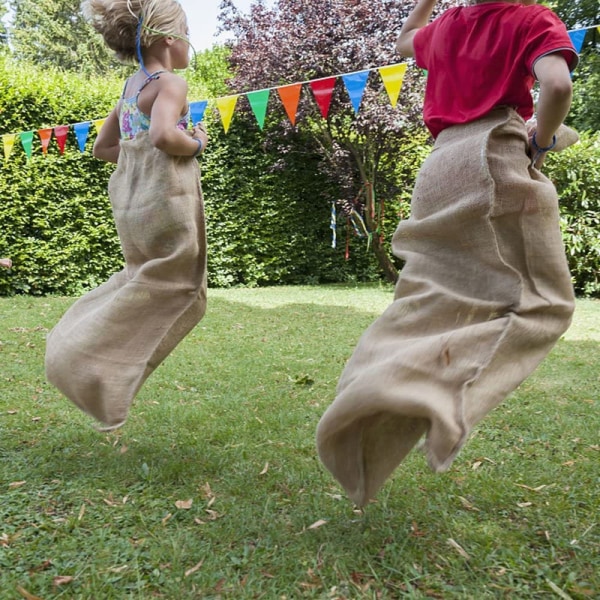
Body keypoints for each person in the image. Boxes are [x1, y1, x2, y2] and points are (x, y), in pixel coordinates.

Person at [316, 0, 579, 506]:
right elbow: (559, 86)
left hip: (439, 167)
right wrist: (541, 142)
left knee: (428, 293)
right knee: (545, 303)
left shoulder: (447, 26)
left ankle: (368, 383)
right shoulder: (531, 18)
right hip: (492, 156)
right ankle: (439, 399)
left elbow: (402, 42)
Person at [45, 0, 209, 431]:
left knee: (141, 277)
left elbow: (104, 149)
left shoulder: (129, 90)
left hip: (132, 209)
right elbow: (161, 135)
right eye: (188, 30)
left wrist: (141, 155)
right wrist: (196, 143)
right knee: (184, 288)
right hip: (165, 206)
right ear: (171, 38)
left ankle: (78, 348)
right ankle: (100, 371)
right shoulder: (171, 83)